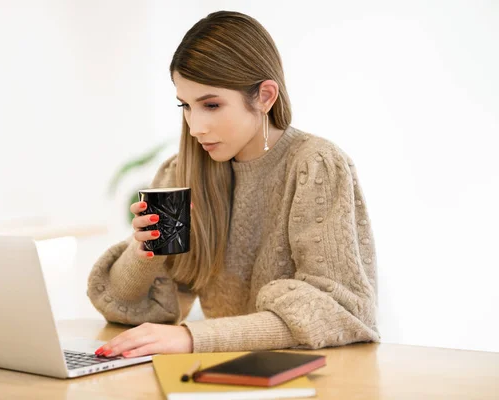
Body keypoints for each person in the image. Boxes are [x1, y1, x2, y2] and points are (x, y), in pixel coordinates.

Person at [87, 10, 379, 358]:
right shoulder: (184, 171)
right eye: (186, 106)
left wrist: (194, 339)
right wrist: (144, 250)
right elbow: (123, 302)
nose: (195, 127)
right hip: (222, 372)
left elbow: (338, 310)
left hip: (310, 374)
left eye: (211, 104)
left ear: (266, 96)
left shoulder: (315, 166)